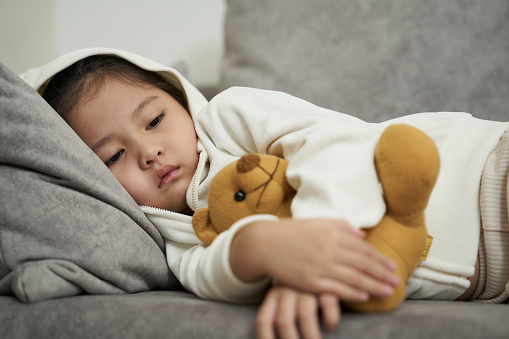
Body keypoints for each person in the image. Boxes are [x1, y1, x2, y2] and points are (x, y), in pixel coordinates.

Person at [22, 48, 509, 339]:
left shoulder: (233, 117)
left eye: (154, 120)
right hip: (492, 279)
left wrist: (314, 237)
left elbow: (335, 146)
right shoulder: (175, 235)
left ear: (182, 99)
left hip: (482, 173)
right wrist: (258, 249)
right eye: (113, 157)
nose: (149, 151)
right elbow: (207, 274)